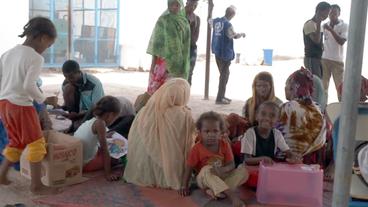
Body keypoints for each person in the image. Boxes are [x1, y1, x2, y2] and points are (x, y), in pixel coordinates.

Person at [0, 17, 58, 194]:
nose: (46, 50)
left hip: (4, 104)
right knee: (37, 144)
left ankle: (1, 175)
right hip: (21, 105)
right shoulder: (35, 58)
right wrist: (44, 100)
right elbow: (28, 86)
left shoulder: (7, 53)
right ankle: (36, 186)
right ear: (42, 38)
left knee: (16, 142)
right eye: (48, 45)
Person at [124, 78, 195, 190]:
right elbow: (187, 142)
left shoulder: (145, 110)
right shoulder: (184, 115)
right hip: (170, 167)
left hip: (141, 168)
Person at [179, 111, 248, 207]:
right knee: (206, 169)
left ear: (221, 132)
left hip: (222, 176)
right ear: (199, 132)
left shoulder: (224, 144)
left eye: (215, 131)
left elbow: (231, 165)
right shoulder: (197, 148)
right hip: (205, 179)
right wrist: (184, 185)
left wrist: (222, 170)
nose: (211, 135)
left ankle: (216, 191)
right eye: (207, 131)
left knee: (243, 171)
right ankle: (231, 195)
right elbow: (189, 168)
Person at [278, 67, 326, 158]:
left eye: (287, 85)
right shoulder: (318, 110)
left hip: (285, 161)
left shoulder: (286, 108)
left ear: (293, 87)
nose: (285, 88)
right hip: (310, 163)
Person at [146, 0, 191, 95]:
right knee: (158, 92)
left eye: (177, 4)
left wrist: (184, 64)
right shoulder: (162, 21)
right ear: (168, 5)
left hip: (178, 63)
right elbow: (156, 44)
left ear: (180, 5)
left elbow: (186, 44)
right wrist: (153, 65)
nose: (175, 7)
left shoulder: (184, 22)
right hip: (163, 62)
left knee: (173, 92)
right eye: (172, 4)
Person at [74, 96, 122, 181]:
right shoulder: (101, 124)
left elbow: (92, 135)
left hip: (76, 159)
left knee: (102, 148)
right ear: (110, 115)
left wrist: (106, 135)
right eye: (115, 117)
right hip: (85, 164)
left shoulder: (92, 120)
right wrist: (108, 173)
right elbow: (105, 150)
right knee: (115, 159)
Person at [212, 6, 245, 105]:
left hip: (217, 51)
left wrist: (210, 10)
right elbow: (233, 36)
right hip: (225, 54)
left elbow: (208, 20)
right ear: (232, 14)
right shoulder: (228, 24)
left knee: (225, 74)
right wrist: (242, 34)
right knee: (224, 76)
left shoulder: (216, 21)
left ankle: (222, 96)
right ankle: (219, 98)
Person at [61, 59, 104, 132]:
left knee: (78, 128)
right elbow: (66, 103)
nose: (68, 79)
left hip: (91, 114)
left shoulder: (94, 83)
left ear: (79, 72)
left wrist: (79, 115)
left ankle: (76, 123)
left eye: (71, 77)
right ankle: (74, 120)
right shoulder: (66, 84)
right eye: (65, 76)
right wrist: (60, 108)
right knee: (68, 88)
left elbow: (97, 108)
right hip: (75, 114)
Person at [321, 4, 348, 101]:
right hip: (325, 60)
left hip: (337, 61)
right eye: (330, 13)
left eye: (335, 13)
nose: (332, 15)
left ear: (339, 14)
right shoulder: (324, 26)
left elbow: (341, 42)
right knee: (323, 88)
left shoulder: (344, 26)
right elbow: (321, 41)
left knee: (340, 88)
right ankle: (323, 111)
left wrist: (331, 30)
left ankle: (342, 110)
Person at [303, 1, 331, 78]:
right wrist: (319, 23)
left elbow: (320, 43)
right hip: (311, 58)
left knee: (319, 83)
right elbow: (316, 40)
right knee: (315, 83)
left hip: (318, 58)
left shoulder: (319, 26)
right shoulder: (309, 24)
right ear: (319, 11)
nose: (327, 16)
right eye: (326, 13)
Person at [185, 0, 200, 85]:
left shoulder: (197, 19)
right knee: (177, 73)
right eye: (192, 5)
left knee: (189, 73)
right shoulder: (179, 16)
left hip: (191, 49)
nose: (193, 8)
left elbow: (195, 38)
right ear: (187, 3)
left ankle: (186, 94)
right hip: (179, 49)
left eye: (195, 5)